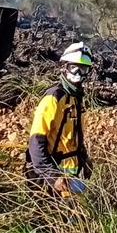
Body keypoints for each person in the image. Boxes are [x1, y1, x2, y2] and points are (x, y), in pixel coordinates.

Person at [25, 41, 94, 198]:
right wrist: (52, 177)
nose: (78, 73)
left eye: (83, 69)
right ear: (64, 67)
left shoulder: (75, 98)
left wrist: (84, 158)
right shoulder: (53, 98)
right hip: (51, 181)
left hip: (70, 175)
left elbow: (72, 136)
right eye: (73, 67)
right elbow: (36, 142)